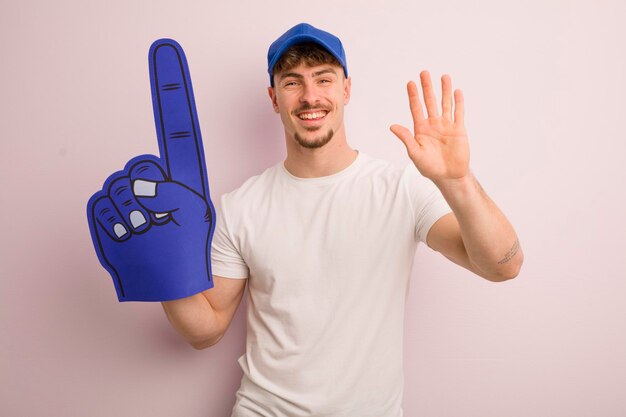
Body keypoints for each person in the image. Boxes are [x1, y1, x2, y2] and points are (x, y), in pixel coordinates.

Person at [161, 23, 523, 417]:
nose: (310, 96)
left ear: (346, 89)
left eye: (323, 79)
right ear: (274, 98)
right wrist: (159, 267)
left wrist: (458, 181)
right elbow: (206, 329)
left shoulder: (399, 188)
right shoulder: (241, 206)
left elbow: (503, 265)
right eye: (292, 82)